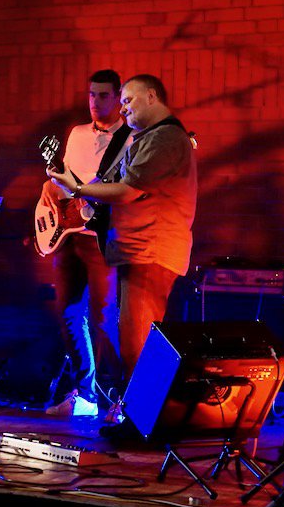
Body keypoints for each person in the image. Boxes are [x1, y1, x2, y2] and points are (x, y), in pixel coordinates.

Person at [48, 74, 197, 427]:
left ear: (151, 96)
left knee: (137, 342)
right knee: (134, 338)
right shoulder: (148, 138)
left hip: (151, 249)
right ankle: (140, 417)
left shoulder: (165, 138)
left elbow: (129, 191)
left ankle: (142, 420)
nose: (124, 108)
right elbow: (119, 185)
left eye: (128, 100)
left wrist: (78, 188)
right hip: (139, 250)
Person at [41, 69, 129, 415]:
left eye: (103, 95)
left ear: (118, 97)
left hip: (102, 237)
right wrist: (49, 187)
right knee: (67, 312)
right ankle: (86, 394)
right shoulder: (77, 134)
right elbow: (63, 179)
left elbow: (127, 189)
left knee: (104, 317)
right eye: (92, 94)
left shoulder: (130, 139)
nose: (95, 102)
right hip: (67, 234)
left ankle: (115, 397)